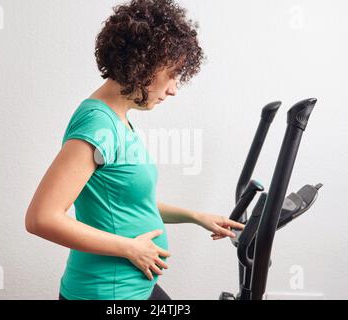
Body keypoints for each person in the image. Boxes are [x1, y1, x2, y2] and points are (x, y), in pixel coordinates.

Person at [25, 0, 244, 300]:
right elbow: (42, 218)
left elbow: (129, 204)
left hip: (134, 289)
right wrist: (130, 248)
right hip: (108, 293)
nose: (173, 89)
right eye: (172, 75)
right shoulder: (97, 124)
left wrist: (196, 216)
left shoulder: (118, 120)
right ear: (147, 62)